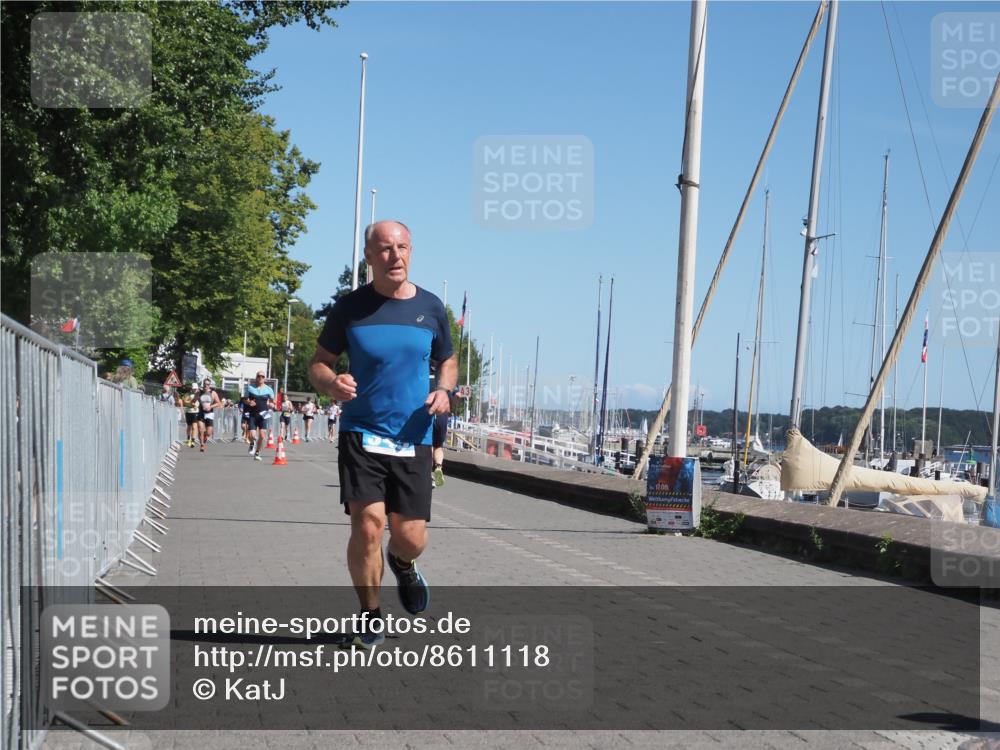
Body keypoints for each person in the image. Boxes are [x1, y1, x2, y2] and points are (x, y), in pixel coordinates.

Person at [309, 220, 457, 648]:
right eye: (386, 249)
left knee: (410, 537)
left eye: (403, 247)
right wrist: (331, 382)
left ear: (411, 251)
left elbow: (447, 360)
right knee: (368, 525)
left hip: (414, 435)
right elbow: (319, 362)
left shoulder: (430, 307)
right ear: (369, 257)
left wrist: (444, 390)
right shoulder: (349, 308)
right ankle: (370, 616)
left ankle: (403, 564)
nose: (396, 256)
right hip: (362, 433)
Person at [245, 370, 276, 461]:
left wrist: (272, 405)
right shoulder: (250, 388)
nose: (260, 378)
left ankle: (257, 452)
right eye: (259, 376)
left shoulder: (268, 389)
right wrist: (249, 402)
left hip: (263, 415)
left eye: (262, 376)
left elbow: (273, 401)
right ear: (256, 377)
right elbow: (244, 399)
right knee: (253, 435)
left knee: (262, 435)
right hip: (253, 414)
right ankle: (252, 443)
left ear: (264, 379)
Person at [197, 378, 222, 452]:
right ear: (203, 384)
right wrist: (193, 403)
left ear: (209, 385)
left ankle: (205, 436)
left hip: (209, 414)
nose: (206, 385)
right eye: (205, 384)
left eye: (207, 384)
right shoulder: (199, 392)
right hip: (201, 412)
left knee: (209, 432)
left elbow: (218, 403)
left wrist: (210, 406)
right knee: (201, 429)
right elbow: (193, 400)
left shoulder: (213, 393)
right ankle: (202, 445)